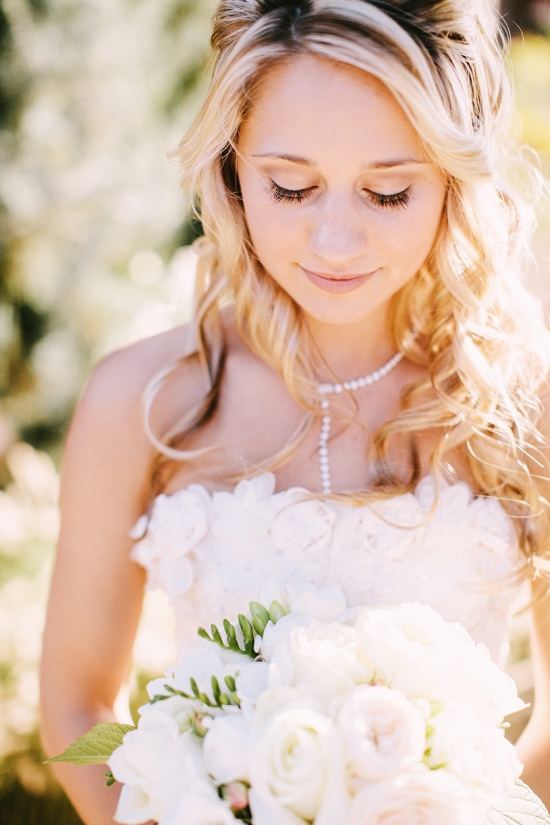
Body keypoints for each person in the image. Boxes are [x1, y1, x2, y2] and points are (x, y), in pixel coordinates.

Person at [40, 0, 550, 822]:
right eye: (292, 187)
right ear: (234, 168)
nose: (336, 242)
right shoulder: (139, 402)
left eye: (387, 193)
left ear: (452, 178)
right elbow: (76, 708)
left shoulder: (525, 404)